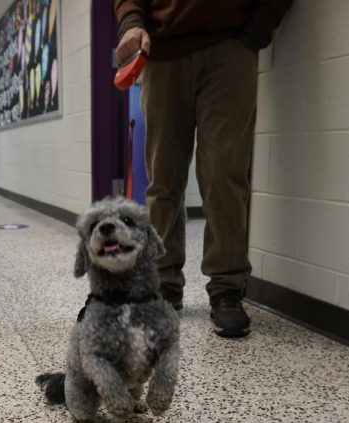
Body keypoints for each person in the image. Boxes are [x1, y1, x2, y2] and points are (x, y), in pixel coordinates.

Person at [114, 0, 291, 338]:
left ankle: (227, 287)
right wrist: (131, 22)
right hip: (163, 52)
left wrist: (258, 27)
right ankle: (163, 283)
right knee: (163, 180)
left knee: (225, 174)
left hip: (231, 47)